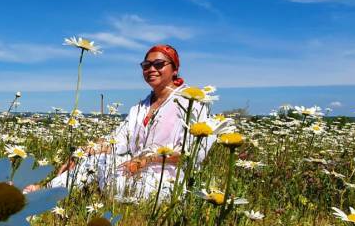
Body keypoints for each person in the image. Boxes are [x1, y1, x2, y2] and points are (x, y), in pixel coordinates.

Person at [26, 44, 215, 200]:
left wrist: (146, 160)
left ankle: (66, 195)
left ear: (175, 69)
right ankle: (43, 193)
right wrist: (81, 154)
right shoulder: (140, 108)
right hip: (132, 168)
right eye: (146, 65)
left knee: (108, 176)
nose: (151, 69)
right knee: (94, 161)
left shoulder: (192, 102)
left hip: (167, 178)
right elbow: (118, 140)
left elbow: (193, 154)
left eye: (159, 64)